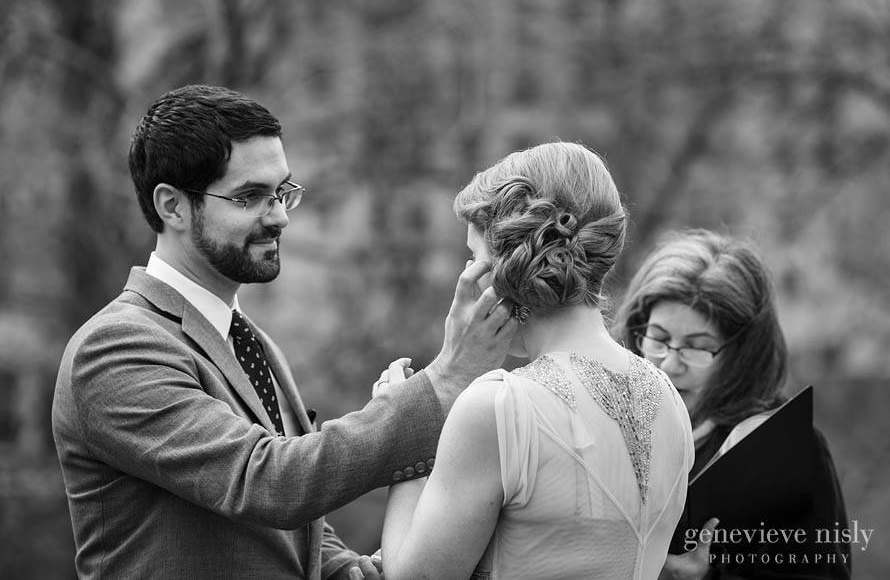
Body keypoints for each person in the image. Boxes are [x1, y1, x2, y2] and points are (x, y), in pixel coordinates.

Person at [51, 84, 518, 580]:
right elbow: (269, 481)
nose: (278, 217)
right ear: (172, 206)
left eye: (281, 193)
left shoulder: (251, 343)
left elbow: (300, 539)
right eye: (249, 196)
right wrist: (445, 380)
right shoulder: (115, 349)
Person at [378, 142, 695, 580]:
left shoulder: (498, 408)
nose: (467, 275)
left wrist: (407, 433)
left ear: (506, 265)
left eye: (474, 258)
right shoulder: (668, 398)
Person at [613, 229, 851, 580]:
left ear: (742, 355)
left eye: (697, 347)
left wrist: (707, 578)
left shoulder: (786, 450)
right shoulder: (607, 420)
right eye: (659, 339)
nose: (669, 364)